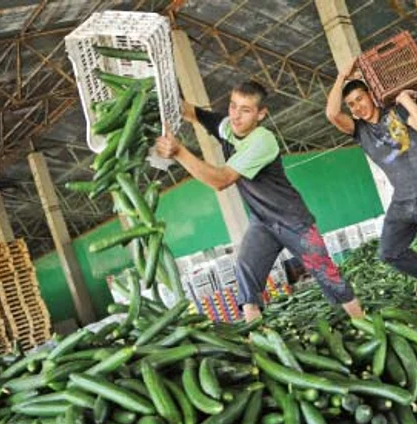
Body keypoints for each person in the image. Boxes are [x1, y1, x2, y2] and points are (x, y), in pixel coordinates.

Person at [155, 80, 364, 322]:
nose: (236, 116)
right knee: (246, 276)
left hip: (293, 221)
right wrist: (163, 93)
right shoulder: (228, 128)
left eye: (246, 110)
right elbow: (192, 113)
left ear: (261, 114)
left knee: (327, 275)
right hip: (262, 221)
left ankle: (364, 324)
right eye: (233, 106)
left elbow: (221, 180)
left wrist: (179, 152)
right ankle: (256, 339)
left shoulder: (262, 140)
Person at [325, 58, 417, 324]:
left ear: (372, 94)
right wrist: (341, 76)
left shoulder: (397, 112)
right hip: (403, 201)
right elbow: (332, 114)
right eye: (352, 104)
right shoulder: (360, 131)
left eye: (360, 98)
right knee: (389, 252)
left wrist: (404, 99)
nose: (358, 106)